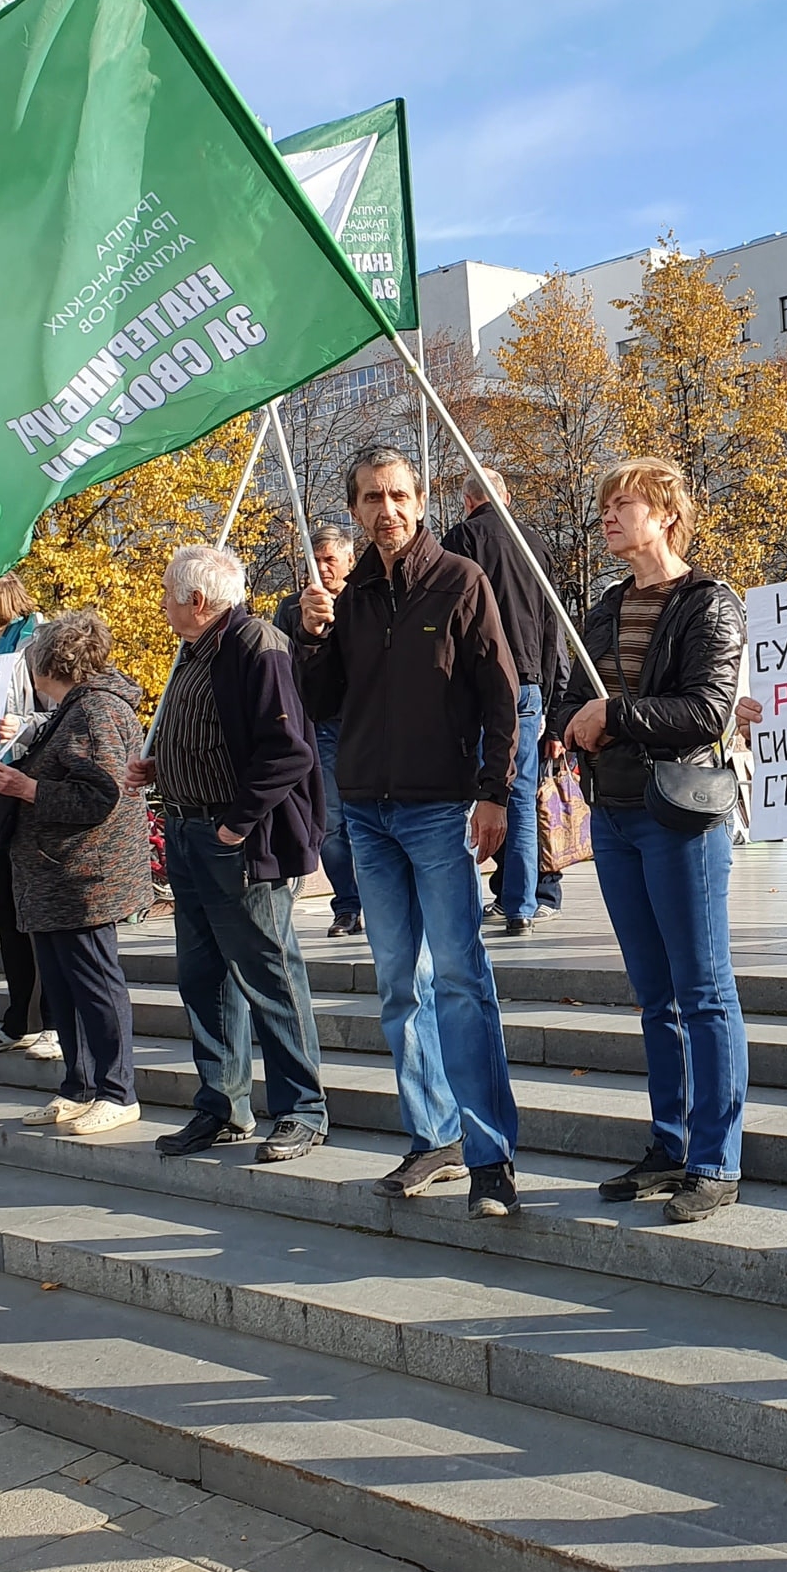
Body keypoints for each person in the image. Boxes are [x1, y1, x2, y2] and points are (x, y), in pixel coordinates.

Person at [294, 447, 524, 1217]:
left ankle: (491, 1155)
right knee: (401, 987)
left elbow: (501, 697)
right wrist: (313, 636)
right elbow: (324, 703)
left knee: (460, 980)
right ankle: (435, 1136)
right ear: (355, 510)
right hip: (367, 810)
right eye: (370, 498)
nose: (385, 510)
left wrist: (494, 794)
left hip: (436, 810)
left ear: (421, 502)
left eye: (397, 496)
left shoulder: (460, 580)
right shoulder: (347, 593)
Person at [550, 457, 749, 1225]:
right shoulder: (602, 609)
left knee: (703, 989)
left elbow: (706, 710)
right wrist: (566, 724)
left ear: (666, 515)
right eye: (604, 506)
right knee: (653, 994)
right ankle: (669, 1144)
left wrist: (615, 718)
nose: (608, 517)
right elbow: (577, 692)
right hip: (616, 810)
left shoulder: (708, 605)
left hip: (681, 812)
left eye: (622, 504)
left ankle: (715, 1158)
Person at [128, 545, 330, 1164]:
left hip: (233, 840)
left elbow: (288, 750)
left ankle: (302, 1111)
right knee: (203, 977)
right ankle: (222, 1106)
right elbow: (222, 738)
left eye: (166, 592)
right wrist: (164, 766)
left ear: (197, 600)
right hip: (190, 832)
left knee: (269, 975)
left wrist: (235, 828)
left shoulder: (256, 645)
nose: (159, 603)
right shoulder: (196, 650)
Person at [0, 612, 154, 1136]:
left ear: (51, 662)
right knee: (63, 983)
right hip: (55, 875)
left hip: (83, 875)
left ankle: (118, 1091)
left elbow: (101, 795)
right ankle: (79, 1084)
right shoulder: (74, 708)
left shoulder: (94, 710)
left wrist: (25, 789)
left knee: (94, 981)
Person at [444, 467, 567, 937]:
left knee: (470, 791)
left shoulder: (462, 539)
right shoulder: (536, 544)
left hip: (477, 682)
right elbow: (554, 626)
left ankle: (471, 903)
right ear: (507, 498)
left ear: (467, 502)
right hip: (529, 684)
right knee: (520, 795)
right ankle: (521, 905)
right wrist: (553, 707)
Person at [0, 575, 57, 1063]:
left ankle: (55, 1021)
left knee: (36, 910)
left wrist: (23, 725)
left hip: (28, 788)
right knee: (2, 910)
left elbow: (63, 713)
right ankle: (19, 1017)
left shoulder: (39, 638)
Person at [275, 525, 365, 936]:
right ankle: (346, 904)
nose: (323, 568)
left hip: (365, 722)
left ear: (348, 560)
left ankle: (377, 898)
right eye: (315, 559)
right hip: (320, 726)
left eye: (331, 559)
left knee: (368, 817)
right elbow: (282, 667)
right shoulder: (292, 607)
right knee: (331, 823)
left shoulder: (365, 599)